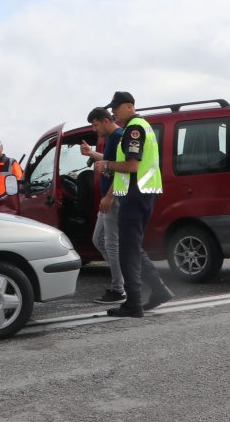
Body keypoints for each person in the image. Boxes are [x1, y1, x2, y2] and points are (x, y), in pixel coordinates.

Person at [95, 91, 173, 317]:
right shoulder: (142, 126)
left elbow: (131, 166)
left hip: (135, 194)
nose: (113, 111)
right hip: (141, 193)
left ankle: (134, 303)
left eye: (117, 107)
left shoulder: (134, 129)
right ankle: (158, 290)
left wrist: (107, 165)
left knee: (127, 250)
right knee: (132, 247)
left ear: (130, 106)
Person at [80, 107, 125, 304]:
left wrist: (109, 196)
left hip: (113, 198)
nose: (94, 129)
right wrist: (91, 153)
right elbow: (109, 161)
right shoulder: (110, 138)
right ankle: (122, 279)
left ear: (106, 121)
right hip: (107, 198)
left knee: (111, 243)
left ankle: (119, 288)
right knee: (98, 239)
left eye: (96, 125)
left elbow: (123, 169)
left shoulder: (118, 136)